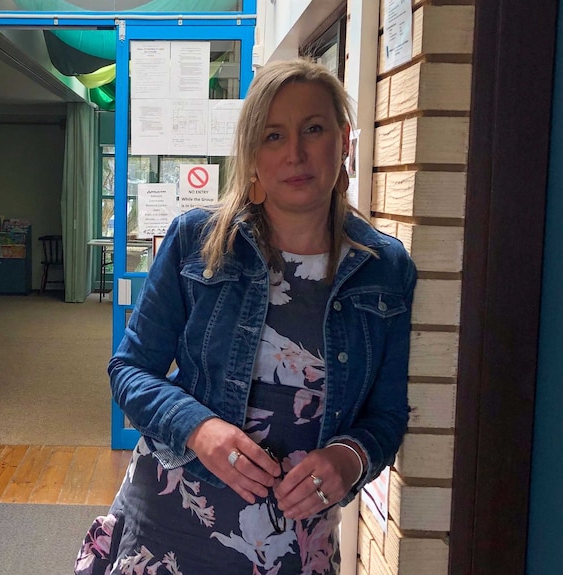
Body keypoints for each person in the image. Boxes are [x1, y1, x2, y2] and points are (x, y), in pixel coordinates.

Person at [75, 59, 416, 575]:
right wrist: (198, 428)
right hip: (174, 517)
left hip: (294, 541)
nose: (296, 153)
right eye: (273, 136)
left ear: (343, 141)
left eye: (314, 129)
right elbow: (128, 370)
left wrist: (349, 459)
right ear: (253, 156)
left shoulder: (384, 269)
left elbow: (388, 414)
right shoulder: (197, 242)